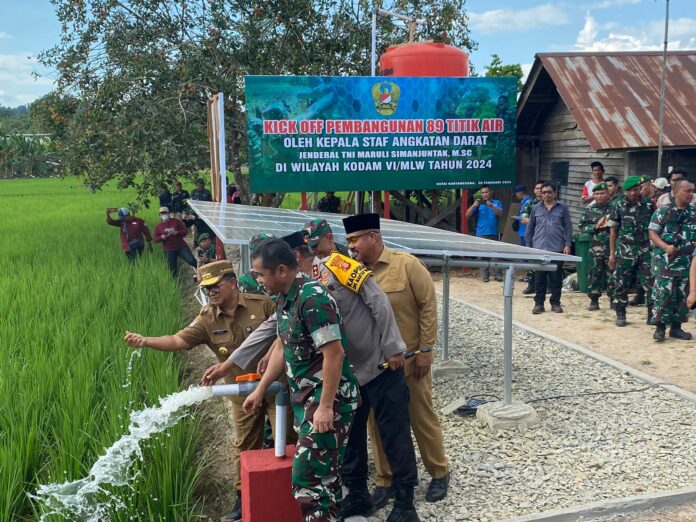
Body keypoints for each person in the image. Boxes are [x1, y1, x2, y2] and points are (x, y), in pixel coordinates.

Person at [206, 239, 359, 522]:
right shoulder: (286, 297)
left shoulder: (312, 299)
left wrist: (325, 407)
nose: (258, 281)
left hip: (327, 401)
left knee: (309, 479)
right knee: (324, 477)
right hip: (305, 400)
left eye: (261, 274)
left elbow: (334, 354)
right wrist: (260, 390)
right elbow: (281, 345)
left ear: (281, 271)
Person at [124, 260, 277, 522]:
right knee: (245, 447)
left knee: (287, 440)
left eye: (215, 286)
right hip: (241, 396)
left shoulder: (261, 304)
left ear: (231, 282)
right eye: (206, 289)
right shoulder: (207, 319)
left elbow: (284, 333)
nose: (211, 293)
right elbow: (177, 340)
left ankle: (287, 494)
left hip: (276, 390)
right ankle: (244, 500)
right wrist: (146, 341)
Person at [308, 218, 419, 521]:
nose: (312, 252)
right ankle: (357, 496)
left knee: (394, 433)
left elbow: (379, 301)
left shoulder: (341, 265)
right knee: (351, 438)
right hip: (346, 373)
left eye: (314, 246)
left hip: (380, 366)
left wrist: (394, 348)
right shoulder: (307, 280)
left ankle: (405, 502)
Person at [344, 213, 450, 507]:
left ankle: (439, 472)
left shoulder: (406, 265)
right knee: (379, 424)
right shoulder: (350, 274)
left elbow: (427, 306)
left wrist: (427, 350)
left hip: (411, 360)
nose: (351, 247)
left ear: (373, 237)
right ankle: (385, 479)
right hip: (376, 368)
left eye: (355, 240)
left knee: (420, 416)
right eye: (348, 241)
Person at [648, 178, 696, 342]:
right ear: (675, 192)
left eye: (692, 191)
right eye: (687, 191)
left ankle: (676, 327)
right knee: (664, 293)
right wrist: (664, 246)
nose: (691, 194)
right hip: (665, 261)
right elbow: (652, 233)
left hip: (686, 262)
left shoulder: (693, 213)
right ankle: (660, 327)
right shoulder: (663, 212)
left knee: (681, 295)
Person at [608, 176, 655, 327]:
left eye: (635, 189)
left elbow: (655, 226)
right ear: (625, 191)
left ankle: (652, 314)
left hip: (645, 249)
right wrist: (612, 254)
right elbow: (613, 231)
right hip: (625, 250)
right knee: (621, 283)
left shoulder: (648, 204)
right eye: (630, 190)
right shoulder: (618, 205)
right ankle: (621, 313)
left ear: (640, 188)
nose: (633, 193)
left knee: (651, 283)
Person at [525, 182, 573, 314]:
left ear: (554, 193)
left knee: (556, 278)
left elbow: (568, 227)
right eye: (544, 192)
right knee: (539, 278)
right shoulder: (536, 208)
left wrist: (568, 244)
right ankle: (539, 304)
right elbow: (530, 228)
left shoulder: (562, 208)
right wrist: (528, 247)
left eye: (549, 192)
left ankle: (556, 303)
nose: (546, 194)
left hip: (557, 248)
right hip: (539, 249)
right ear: (541, 193)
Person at [578, 183, 612, 311]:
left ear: (608, 194)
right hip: (596, 248)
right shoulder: (589, 210)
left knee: (612, 274)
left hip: (612, 248)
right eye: (596, 194)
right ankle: (594, 299)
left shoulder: (614, 209)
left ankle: (613, 299)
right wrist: (594, 227)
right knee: (595, 273)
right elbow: (581, 226)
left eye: (602, 193)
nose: (599, 196)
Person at [465, 185, 504, 282]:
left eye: (486, 192)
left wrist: (492, 206)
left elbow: (500, 213)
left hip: (494, 232)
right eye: (482, 193)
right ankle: (485, 275)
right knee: (482, 255)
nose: (484, 194)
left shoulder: (496, 202)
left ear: (490, 192)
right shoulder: (478, 204)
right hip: (481, 232)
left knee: (495, 255)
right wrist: (474, 205)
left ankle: (497, 274)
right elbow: (467, 215)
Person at [153, 206, 197, 277]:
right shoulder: (158, 226)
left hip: (181, 246)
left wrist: (177, 232)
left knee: (191, 261)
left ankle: (203, 270)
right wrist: (161, 237)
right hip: (169, 249)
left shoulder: (176, 221)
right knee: (172, 270)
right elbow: (155, 239)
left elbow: (185, 231)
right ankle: (176, 283)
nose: (164, 215)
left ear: (169, 213)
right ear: (160, 215)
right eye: (162, 214)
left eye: (165, 213)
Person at [520, 181, 544, 294]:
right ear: (534, 191)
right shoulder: (530, 204)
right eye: (537, 188)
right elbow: (523, 218)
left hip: (547, 238)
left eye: (541, 188)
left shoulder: (550, 204)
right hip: (533, 237)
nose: (539, 191)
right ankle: (531, 284)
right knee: (532, 261)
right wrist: (538, 223)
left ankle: (546, 285)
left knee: (546, 261)